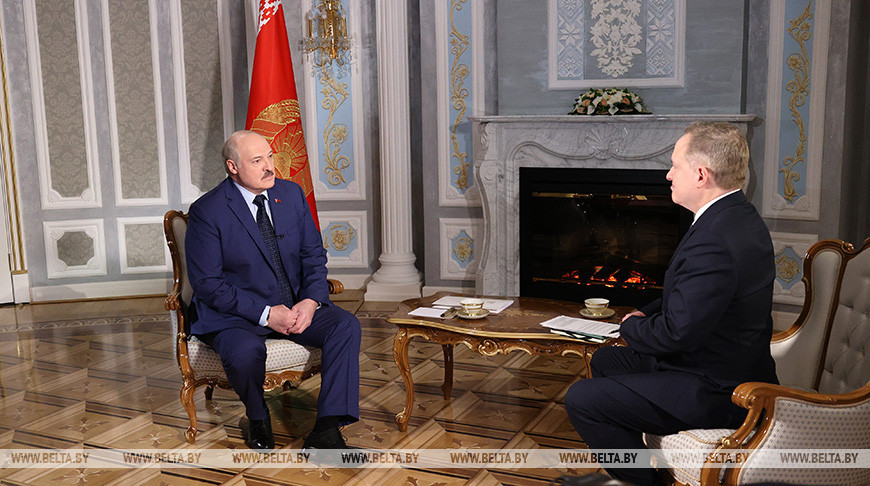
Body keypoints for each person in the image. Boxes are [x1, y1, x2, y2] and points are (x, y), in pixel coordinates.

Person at [564, 122, 778, 485]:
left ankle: (643, 481)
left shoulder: (713, 239)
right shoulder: (736, 216)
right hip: (721, 363)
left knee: (582, 399)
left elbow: (677, 332)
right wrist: (645, 312)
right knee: (605, 360)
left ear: (700, 175)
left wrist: (631, 326)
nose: (668, 175)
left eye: (675, 165)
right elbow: (693, 294)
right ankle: (641, 459)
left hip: (718, 389)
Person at [185, 130, 361, 451]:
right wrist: (266, 314)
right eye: (257, 161)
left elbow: (313, 255)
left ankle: (326, 431)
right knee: (243, 352)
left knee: (345, 325)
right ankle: (257, 417)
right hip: (236, 316)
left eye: (269, 156)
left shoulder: (291, 194)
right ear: (233, 167)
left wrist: (310, 301)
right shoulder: (207, 211)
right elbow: (208, 285)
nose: (270, 166)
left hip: (293, 307)